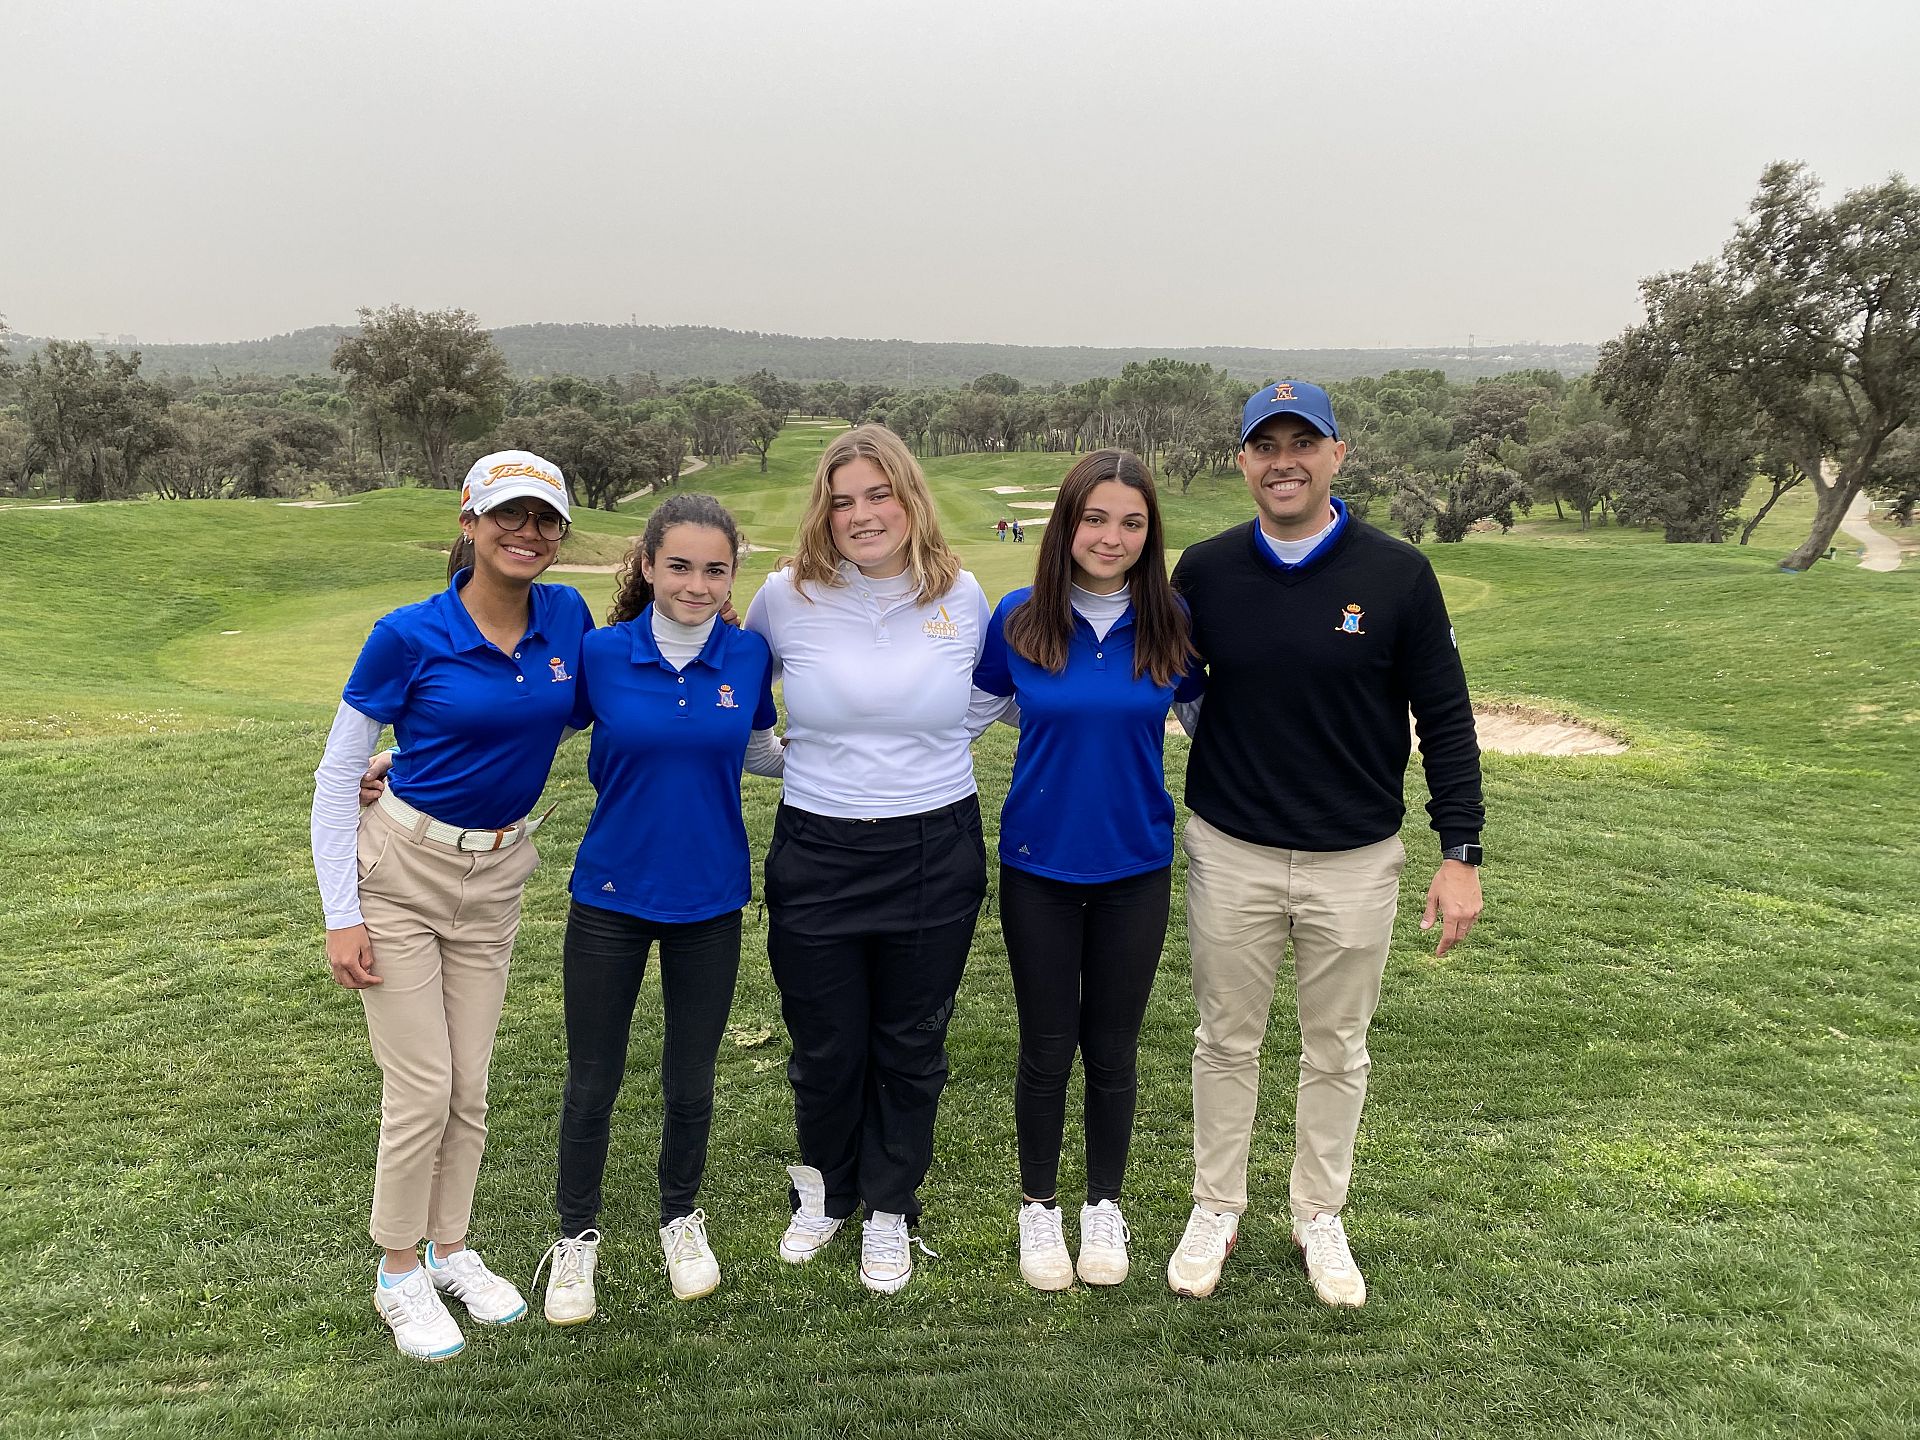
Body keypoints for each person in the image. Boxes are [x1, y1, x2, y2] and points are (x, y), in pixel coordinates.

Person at [1164, 381, 1485, 1308]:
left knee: (1336, 1047)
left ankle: (1318, 1214)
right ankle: (1216, 1205)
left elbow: (1447, 719)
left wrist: (1459, 851)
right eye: (1266, 446)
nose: (1285, 461)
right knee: (1226, 1039)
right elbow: (1174, 685)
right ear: (1244, 463)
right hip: (1233, 848)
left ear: (1339, 455)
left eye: (1305, 442)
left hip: (1356, 855)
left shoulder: (1397, 574)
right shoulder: (1209, 569)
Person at [311, 451, 591, 1360]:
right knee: (423, 1084)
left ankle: (451, 1249)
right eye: (508, 516)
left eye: (546, 520)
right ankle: (398, 1271)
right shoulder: (407, 633)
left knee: (469, 1083)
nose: (528, 534)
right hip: (400, 874)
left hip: (498, 877)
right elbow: (336, 774)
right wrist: (340, 911)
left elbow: (579, 708)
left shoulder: (566, 617)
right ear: (468, 523)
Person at [745, 424, 999, 1295]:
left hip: (934, 843)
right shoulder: (783, 597)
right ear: (825, 508)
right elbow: (739, 710)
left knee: (910, 1040)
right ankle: (825, 1192)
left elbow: (987, 696)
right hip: (817, 845)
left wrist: (920, 747)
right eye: (844, 498)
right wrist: (806, 757)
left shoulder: (961, 595)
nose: (862, 514)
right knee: (825, 1044)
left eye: (879, 494)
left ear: (910, 498)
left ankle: (890, 1206)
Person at [531, 494, 784, 1322]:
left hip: (710, 897)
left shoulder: (747, 657)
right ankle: (575, 1237)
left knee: (691, 1077)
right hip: (609, 895)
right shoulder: (600, 653)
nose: (696, 584)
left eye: (715, 569)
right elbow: (526, 729)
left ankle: (680, 1216)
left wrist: (859, 746)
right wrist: (402, 758)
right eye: (679, 565)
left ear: (732, 575)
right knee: (593, 1078)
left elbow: (758, 753)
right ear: (646, 566)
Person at [973, 449, 1201, 1291]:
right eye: (1095, 518)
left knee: (1112, 1048)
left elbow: (1210, 727)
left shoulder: (1171, 620)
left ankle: (1103, 1204)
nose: (1111, 536)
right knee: (1045, 1045)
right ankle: (1039, 1207)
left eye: (1131, 522)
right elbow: (964, 717)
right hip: (1038, 862)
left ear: (1150, 533)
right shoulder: (1020, 618)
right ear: (1067, 524)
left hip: (1135, 862)